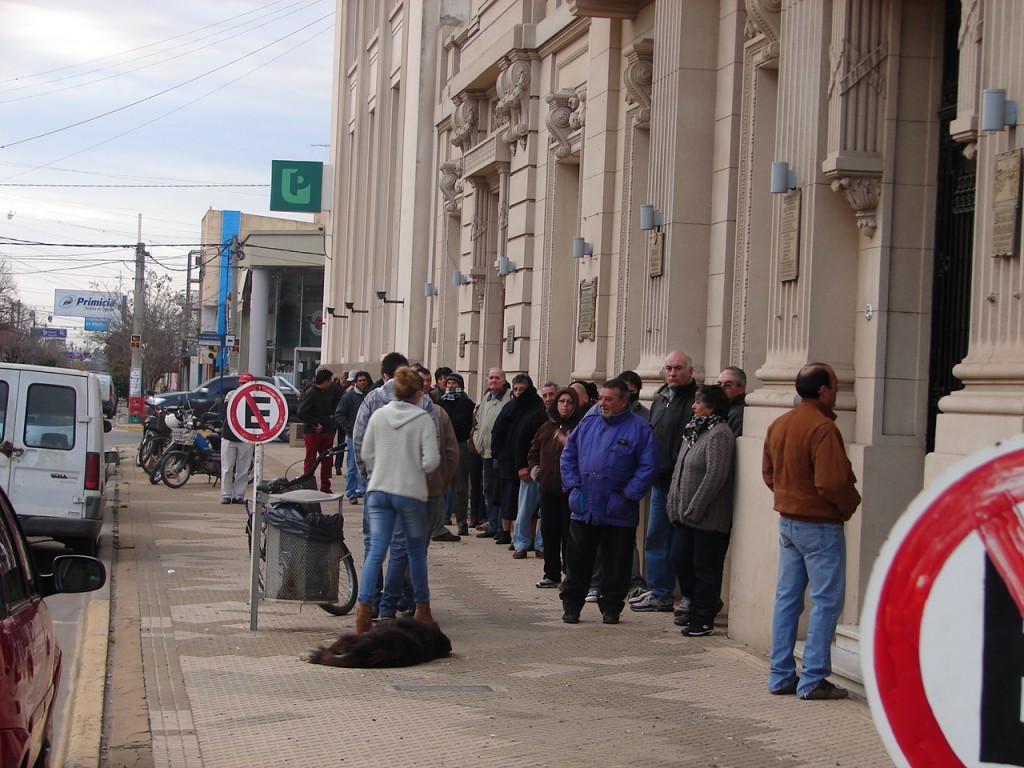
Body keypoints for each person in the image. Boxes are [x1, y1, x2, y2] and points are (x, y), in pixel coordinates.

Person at [762, 363, 861, 700]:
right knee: (826, 602)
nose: (836, 392)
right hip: (819, 523)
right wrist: (848, 505)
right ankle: (814, 677)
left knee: (787, 600)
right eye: (834, 386)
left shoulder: (780, 424)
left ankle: (780, 675)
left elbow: (769, 473)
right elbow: (832, 482)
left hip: (789, 520)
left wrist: (787, 496)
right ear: (823, 390)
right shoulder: (822, 428)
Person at [559, 379, 659, 625]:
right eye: (601, 398)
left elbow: (648, 466)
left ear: (623, 401)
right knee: (578, 559)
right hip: (584, 507)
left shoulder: (640, 428)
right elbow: (568, 455)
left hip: (618, 509)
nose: (602, 403)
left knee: (617, 562)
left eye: (608, 399)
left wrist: (628, 495)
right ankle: (572, 606)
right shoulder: (588, 423)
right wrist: (573, 488)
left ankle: (612, 607)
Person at [355, 366, 441, 633]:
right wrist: (413, 467)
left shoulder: (379, 415)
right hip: (410, 492)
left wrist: (383, 466)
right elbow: (432, 460)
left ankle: (364, 609)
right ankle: (422, 608)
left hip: (379, 489)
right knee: (414, 551)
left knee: (376, 549)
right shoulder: (422, 418)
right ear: (416, 393)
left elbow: (366, 453)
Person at [666, 384, 735, 637]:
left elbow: (715, 475)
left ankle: (703, 617)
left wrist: (696, 507)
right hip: (685, 516)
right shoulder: (693, 431)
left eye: (698, 403)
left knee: (705, 566)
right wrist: (674, 502)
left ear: (712, 406)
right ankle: (697, 604)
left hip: (707, 517)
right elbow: (680, 469)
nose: (693, 407)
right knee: (679, 558)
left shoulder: (719, 434)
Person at [631, 351, 697, 613]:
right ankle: (660, 592)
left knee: (683, 544)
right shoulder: (661, 397)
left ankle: (689, 594)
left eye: (678, 368)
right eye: (668, 368)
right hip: (659, 481)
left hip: (683, 483)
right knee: (656, 537)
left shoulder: (695, 399)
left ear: (690, 371)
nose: (672, 373)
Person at [527, 387, 581, 588]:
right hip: (548, 488)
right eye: (562, 401)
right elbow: (533, 452)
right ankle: (551, 573)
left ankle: (570, 574)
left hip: (570, 491)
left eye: (569, 402)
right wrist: (536, 472)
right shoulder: (547, 427)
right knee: (549, 532)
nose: (565, 405)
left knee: (570, 534)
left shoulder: (580, 428)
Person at [491, 374, 544, 549]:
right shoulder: (510, 406)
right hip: (507, 459)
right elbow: (497, 430)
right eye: (515, 389)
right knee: (507, 496)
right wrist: (497, 452)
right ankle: (506, 532)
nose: (518, 393)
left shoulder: (537, 407)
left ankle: (526, 538)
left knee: (529, 504)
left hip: (528, 462)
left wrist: (526, 464)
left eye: (522, 389)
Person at [472, 368, 511, 538]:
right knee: (487, 489)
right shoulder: (486, 398)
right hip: (485, 452)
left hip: (500, 453)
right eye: (491, 377)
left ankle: (502, 528)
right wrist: (477, 440)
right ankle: (493, 524)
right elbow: (479, 424)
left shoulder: (509, 398)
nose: (493, 380)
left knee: (499, 491)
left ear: (503, 380)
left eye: (497, 378)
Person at [439, 372, 475, 536]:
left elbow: (460, 423)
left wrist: (446, 424)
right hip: (441, 445)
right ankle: (440, 521)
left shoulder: (466, 403)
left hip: (459, 444)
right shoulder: (441, 402)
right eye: (449, 383)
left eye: (454, 383)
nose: (451, 386)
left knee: (459, 486)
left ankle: (462, 522)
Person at [296, 367, 336, 492]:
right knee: (311, 459)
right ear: (325, 381)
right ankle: (308, 485)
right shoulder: (312, 393)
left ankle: (325, 486)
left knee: (327, 460)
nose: (330, 384)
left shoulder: (326, 393)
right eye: (329, 381)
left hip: (326, 430)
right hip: (313, 432)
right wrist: (315, 423)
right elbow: (301, 412)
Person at [336, 370, 372, 503]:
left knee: (367, 464)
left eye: (364, 380)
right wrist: (350, 427)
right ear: (355, 382)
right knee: (352, 465)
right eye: (360, 380)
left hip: (369, 437)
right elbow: (339, 414)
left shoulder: (370, 396)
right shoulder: (348, 397)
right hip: (353, 436)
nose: (363, 383)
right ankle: (350, 492)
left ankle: (362, 489)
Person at [219, 372, 255, 504]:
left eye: (246, 383)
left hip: (246, 438)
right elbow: (228, 411)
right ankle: (226, 494)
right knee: (227, 467)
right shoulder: (231, 395)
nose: (243, 386)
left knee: (243, 469)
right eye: (241, 383)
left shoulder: (256, 397)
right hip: (229, 435)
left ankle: (238, 495)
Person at [717, 366, 747, 437]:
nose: (721, 388)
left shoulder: (739, 413)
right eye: (719, 384)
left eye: (727, 385)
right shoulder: (722, 407)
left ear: (741, 389)